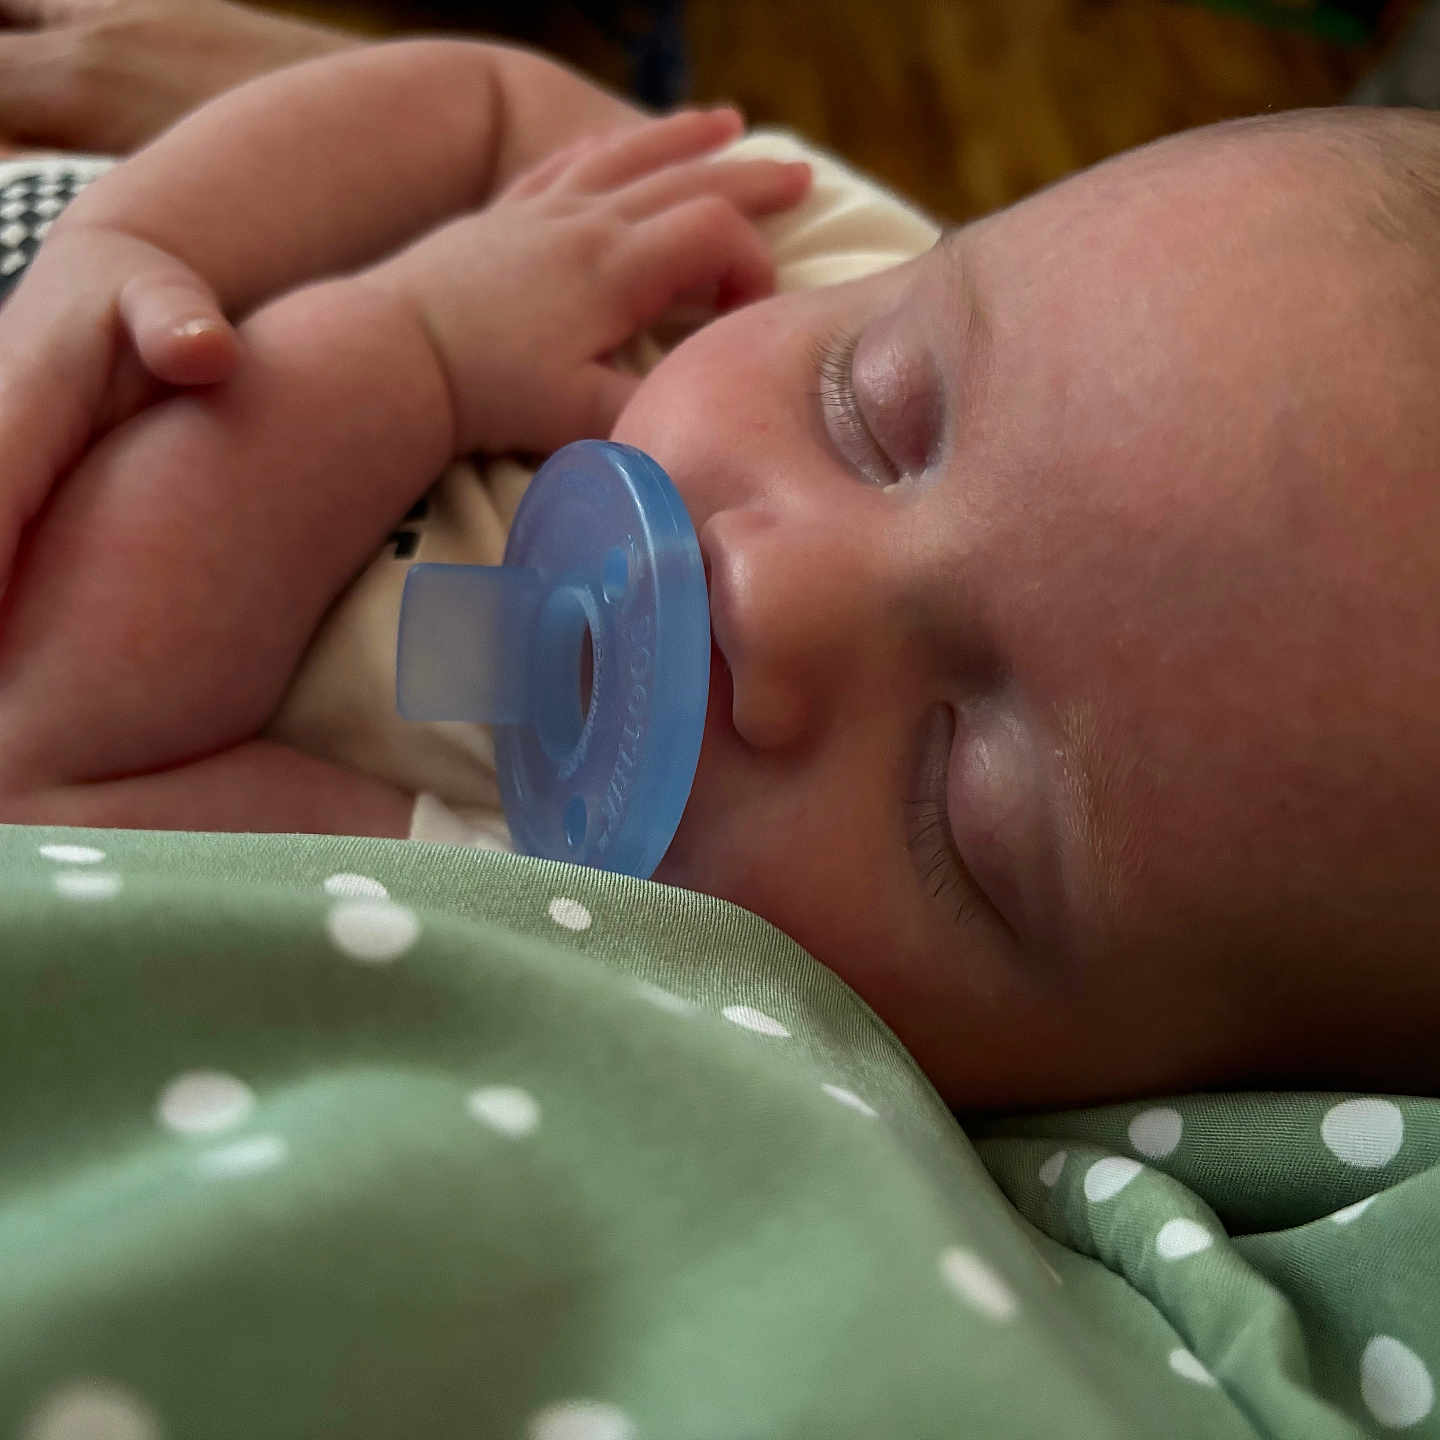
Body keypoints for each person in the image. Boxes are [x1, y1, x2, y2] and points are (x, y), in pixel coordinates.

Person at [1, 2, 1438, 1115]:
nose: (768, 596)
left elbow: (58, 772)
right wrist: (133, 236)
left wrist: (411, 358)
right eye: (871, 418)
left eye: (965, 808)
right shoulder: (801, 265)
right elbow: (484, 105)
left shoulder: (552, 930)